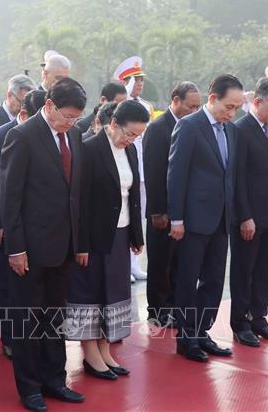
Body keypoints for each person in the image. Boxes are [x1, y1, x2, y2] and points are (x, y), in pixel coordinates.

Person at [0, 77, 87, 411]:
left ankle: (55, 379)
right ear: (49, 105)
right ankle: (30, 387)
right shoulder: (22, 136)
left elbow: (75, 193)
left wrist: (80, 242)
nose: (71, 123)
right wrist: (16, 248)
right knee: (28, 320)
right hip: (31, 249)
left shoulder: (74, 135)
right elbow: (11, 198)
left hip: (64, 245)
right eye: (67, 116)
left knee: (55, 317)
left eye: (76, 118)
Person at [67, 100, 147, 380]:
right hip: (93, 236)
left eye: (137, 135)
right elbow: (80, 202)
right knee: (90, 294)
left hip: (120, 233)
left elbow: (133, 196)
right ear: (113, 123)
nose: (131, 139)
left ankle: (105, 350)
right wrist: (81, 244)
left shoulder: (131, 150)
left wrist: (136, 235)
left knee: (113, 294)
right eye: (129, 133)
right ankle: (91, 354)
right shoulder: (89, 149)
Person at [168, 75, 241, 362]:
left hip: (221, 219)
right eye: (228, 106)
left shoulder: (231, 130)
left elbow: (229, 174)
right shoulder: (189, 126)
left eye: (237, 108)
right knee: (188, 280)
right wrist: (176, 218)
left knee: (213, 280)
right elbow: (176, 174)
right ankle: (186, 338)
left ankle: (202, 332)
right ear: (212, 99)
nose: (232, 113)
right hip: (193, 219)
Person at [0, 89, 46, 360]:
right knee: (4, 282)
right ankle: (7, 336)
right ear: (25, 113)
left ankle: (32, 334)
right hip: (6, 225)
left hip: (34, 226)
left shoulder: (47, 137)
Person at [230, 77, 268, 348]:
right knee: (244, 270)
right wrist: (245, 216)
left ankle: (259, 317)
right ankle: (240, 323)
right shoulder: (240, 130)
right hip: (250, 217)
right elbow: (237, 178)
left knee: (267, 268)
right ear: (257, 102)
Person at [143, 81, 201, 327]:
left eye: (198, 107)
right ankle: (157, 310)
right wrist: (157, 211)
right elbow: (154, 172)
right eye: (190, 106)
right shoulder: (158, 128)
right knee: (161, 262)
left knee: (179, 262)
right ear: (176, 100)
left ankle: (175, 306)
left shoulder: (193, 127)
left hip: (184, 209)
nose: (194, 111)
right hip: (163, 211)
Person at [113, 56, 152, 281]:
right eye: (134, 80)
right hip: (122, 165)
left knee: (137, 218)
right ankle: (123, 265)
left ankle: (134, 263)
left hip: (141, 168)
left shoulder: (146, 106)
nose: (139, 84)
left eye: (140, 80)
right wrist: (125, 90)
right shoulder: (121, 104)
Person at [0, 74, 36, 147]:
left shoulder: (30, 119)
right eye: (21, 103)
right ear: (9, 95)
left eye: (27, 104)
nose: (23, 108)